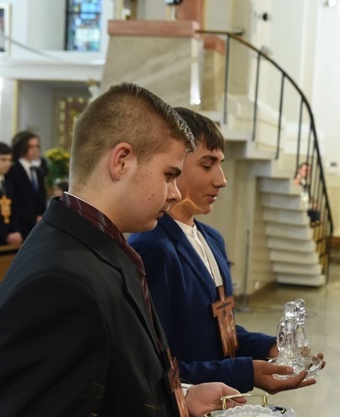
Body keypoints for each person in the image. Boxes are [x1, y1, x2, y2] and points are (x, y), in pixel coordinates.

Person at [0, 83, 261, 417]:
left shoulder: (99, 246)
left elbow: (106, 392)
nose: (174, 193)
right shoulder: (58, 284)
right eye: (170, 174)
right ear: (122, 161)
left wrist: (179, 400)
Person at [130, 107, 322, 393]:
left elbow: (218, 329)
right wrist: (246, 372)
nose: (221, 179)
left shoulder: (212, 238)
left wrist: (269, 346)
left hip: (221, 400)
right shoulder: (152, 248)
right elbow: (156, 366)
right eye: (207, 165)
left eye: (220, 164)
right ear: (174, 165)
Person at [8, 130, 47, 238]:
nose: (35, 150)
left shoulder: (38, 171)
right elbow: (13, 202)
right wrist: (33, 218)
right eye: (31, 146)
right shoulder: (13, 170)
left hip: (38, 226)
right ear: (21, 148)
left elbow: (41, 199)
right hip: (21, 225)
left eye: (37, 146)